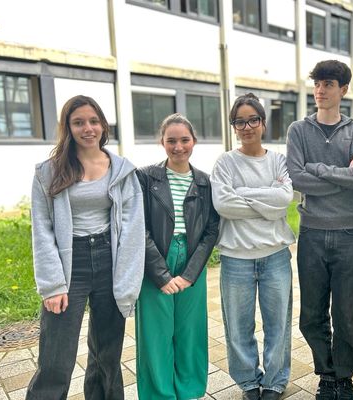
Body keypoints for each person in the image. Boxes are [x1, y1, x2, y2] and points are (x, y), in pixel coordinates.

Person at [26, 95, 145, 400]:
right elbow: (42, 229)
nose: (87, 128)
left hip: (109, 260)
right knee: (56, 357)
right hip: (70, 264)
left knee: (107, 355)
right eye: (78, 122)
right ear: (68, 127)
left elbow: (133, 228)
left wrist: (127, 280)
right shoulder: (48, 172)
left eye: (93, 121)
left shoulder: (122, 170)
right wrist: (52, 285)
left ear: (103, 125)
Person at [286, 60, 353, 400]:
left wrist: (317, 170)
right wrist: (340, 174)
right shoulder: (298, 131)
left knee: (346, 313)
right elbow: (296, 177)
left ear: (343, 90)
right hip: (311, 234)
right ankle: (326, 374)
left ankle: (345, 376)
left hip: (348, 234)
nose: (320, 90)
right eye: (317, 84)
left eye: (329, 84)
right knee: (311, 313)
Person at [210, 93, 295, 400]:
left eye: (253, 120)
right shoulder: (225, 163)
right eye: (240, 121)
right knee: (238, 327)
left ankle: (274, 382)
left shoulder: (279, 160)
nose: (247, 127)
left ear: (262, 122)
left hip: (275, 256)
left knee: (278, 325)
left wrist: (243, 194)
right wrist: (266, 199)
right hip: (236, 259)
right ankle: (248, 382)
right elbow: (223, 204)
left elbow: (285, 199)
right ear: (234, 126)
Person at [134, 113, 219, 399]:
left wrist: (190, 274)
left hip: (192, 261)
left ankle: (190, 390)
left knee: (191, 332)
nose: (178, 146)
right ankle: (158, 394)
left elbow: (211, 231)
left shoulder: (206, 183)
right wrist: (159, 273)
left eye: (184, 140)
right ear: (162, 142)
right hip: (155, 258)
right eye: (171, 140)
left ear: (194, 141)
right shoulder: (145, 177)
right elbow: (138, 227)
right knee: (155, 335)